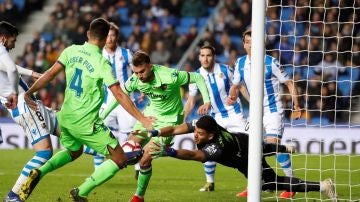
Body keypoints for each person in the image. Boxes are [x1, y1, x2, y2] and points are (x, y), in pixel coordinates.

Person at [19, 18, 153, 202]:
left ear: (88, 34)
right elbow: (119, 94)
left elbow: (49, 74)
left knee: (75, 151)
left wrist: (29, 92)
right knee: (120, 158)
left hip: (65, 118)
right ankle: (81, 192)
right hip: (86, 123)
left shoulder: (70, 50)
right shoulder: (101, 62)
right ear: (106, 38)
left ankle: (39, 172)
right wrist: (143, 119)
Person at [100, 50, 211, 202]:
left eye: (142, 71)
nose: (139, 76)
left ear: (150, 66)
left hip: (170, 122)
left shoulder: (169, 76)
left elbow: (197, 77)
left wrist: (206, 100)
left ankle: (138, 196)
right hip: (149, 118)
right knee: (128, 146)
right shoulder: (135, 80)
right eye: (136, 72)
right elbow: (119, 96)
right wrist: (103, 115)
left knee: (145, 159)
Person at [147, 115, 337, 201]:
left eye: (200, 134)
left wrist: (169, 152)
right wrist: (155, 132)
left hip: (245, 158)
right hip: (243, 140)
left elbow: (195, 155)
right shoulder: (206, 124)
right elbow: (174, 129)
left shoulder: (217, 147)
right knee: (262, 147)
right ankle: (282, 148)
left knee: (269, 184)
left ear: (211, 135)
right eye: (195, 131)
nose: (195, 135)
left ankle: (322, 186)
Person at [227, 29, 301, 198]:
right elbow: (237, 85)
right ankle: (256, 184)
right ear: (244, 44)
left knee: (273, 147)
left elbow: (289, 82)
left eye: (255, 41)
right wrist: (233, 95)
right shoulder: (240, 63)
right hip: (255, 113)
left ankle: (291, 184)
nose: (251, 45)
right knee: (247, 149)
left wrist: (297, 105)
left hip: (273, 111)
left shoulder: (271, 62)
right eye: (248, 41)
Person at [184, 44, 248, 192]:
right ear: (199, 58)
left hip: (234, 114)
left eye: (209, 55)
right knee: (208, 148)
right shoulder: (196, 76)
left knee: (246, 149)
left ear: (214, 57)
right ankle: (210, 183)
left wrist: (254, 104)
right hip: (214, 118)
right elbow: (191, 101)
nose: (205, 59)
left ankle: (256, 182)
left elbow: (240, 86)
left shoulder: (225, 70)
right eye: (203, 56)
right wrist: (183, 117)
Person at [89, 22, 138, 169]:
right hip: (104, 100)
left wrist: (140, 90)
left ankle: (136, 167)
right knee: (98, 134)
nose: (110, 39)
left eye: (113, 35)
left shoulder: (126, 54)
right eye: (108, 36)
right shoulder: (98, 54)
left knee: (129, 133)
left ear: (117, 37)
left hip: (124, 98)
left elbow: (137, 72)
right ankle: (98, 170)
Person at [0, 21, 20, 110]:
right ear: (3, 39)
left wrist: (31, 73)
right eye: (13, 41)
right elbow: (12, 69)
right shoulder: (1, 48)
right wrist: (15, 93)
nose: (14, 46)